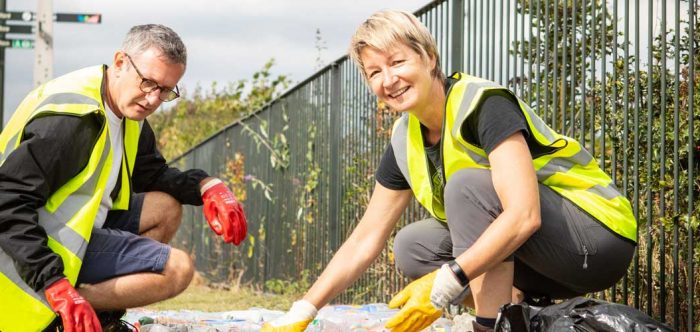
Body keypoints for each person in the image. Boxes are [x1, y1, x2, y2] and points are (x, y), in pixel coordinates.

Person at [261, 10, 636, 332]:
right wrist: (304, 309)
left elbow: (524, 214)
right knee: (412, 247)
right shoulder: (404, 139)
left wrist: (446, 283)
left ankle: (490, 326)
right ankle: (517, 309)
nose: (388, 80)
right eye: (374, 72)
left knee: (466, 186)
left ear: (429, 57)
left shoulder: (483, 105)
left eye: (397, 62)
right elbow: (364, 239)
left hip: (594, 239)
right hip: (540, 262)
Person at [0, 24, 247, 331]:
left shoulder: (128, 115)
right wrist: (52, 281)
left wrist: (206, 186)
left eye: (166, 90)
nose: (154, 99)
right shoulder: (72, 120)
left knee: (166, 207)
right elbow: (6, 202)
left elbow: (153, 174)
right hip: (33, 251)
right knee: (178, 269)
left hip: (80, 232)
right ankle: (65, 311)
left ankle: (98, 314)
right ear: (119, 62)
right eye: (148, 83)